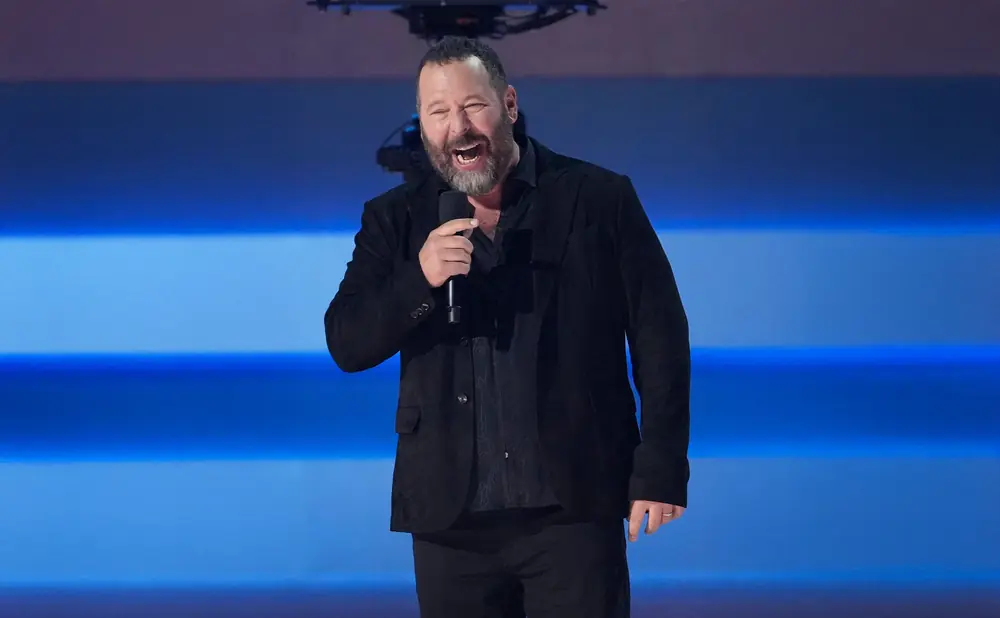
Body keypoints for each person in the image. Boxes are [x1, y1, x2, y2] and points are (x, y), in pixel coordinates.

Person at [324, 36, 690, 618]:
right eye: (438, 113)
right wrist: (419, 279)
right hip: (451, 520)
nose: (457, 128)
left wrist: (662, 465)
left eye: (473, 106)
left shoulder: (598, 198)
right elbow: (346, 341)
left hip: (573, 507)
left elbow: (659, 336)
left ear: (509, 105)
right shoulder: (394, 219)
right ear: (422, 126)